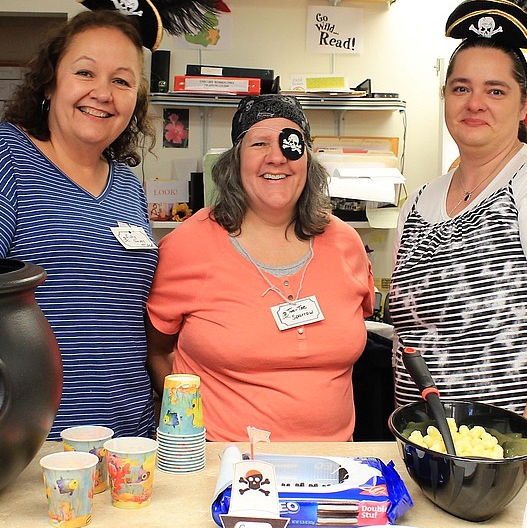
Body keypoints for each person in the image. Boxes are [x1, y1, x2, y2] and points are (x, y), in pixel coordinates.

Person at [0, 0, 166, 438]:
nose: (103, 93)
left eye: (121, 80)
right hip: (31, 440)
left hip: (131, 442)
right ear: (50, 82)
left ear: (135, 100)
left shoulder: (128, 187)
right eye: (85, 73)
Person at [388, 0, 527, 439]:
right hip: (435, 451)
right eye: (461, 88)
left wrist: (524, 449)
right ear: (444, 95)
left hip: (524, 454)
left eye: (496, 90)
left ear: (524, 104)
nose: (475, 103)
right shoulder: (416, 204)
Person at [146, 94, 374, 442]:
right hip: (222, 465)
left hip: (334, 468)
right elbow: (158, 350)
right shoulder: (188, 245)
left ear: (308, 161)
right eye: (259, 143)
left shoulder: (346, 244)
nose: (276, 157)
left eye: (290, 143)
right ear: (235, 160)